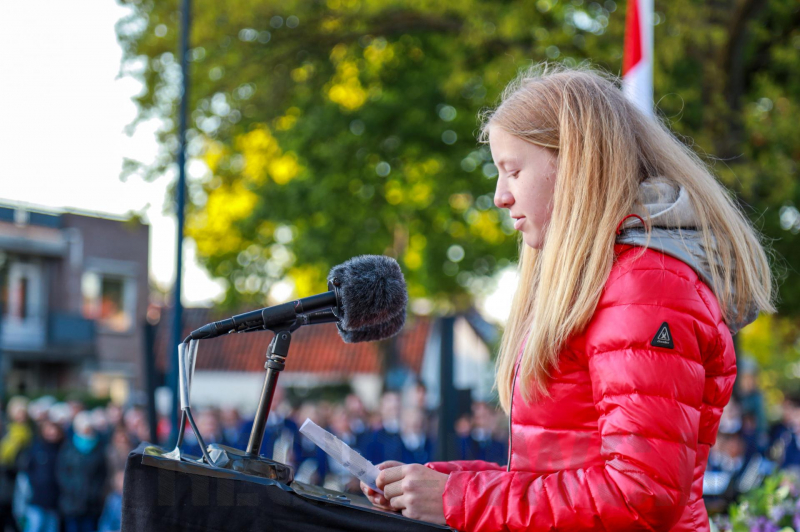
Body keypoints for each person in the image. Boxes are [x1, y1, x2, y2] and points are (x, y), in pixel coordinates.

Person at [361, 62, 775, 531]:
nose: (499, 196)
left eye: (512, 171)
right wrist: (437, 485)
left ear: (575, 163)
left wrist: (461, 500)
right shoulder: (612, 278)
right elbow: (558, 475)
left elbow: (640, 494)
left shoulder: (646, 285)